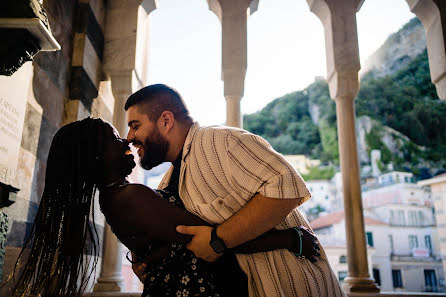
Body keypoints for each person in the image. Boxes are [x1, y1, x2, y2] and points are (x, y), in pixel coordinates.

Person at [9, 117, 319, 297]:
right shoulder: (129, 196)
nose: (126, 142)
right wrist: (292, 239)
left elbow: (174, 242)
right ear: (95, 157)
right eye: (115, 138)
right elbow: (211, 237)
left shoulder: (118, 198)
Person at [125, 84, 346, 297]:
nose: (129, 137)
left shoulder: (220, 141)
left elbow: (286, 186)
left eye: (135, 126)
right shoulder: (169, 179)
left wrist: (218, 240)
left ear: (166, 120)